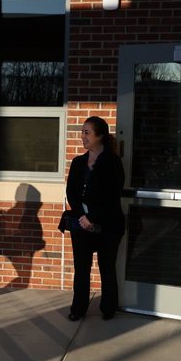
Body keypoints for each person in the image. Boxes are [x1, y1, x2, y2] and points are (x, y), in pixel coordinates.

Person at [65, 116, 125, 320]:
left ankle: (108, 308)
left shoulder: (112, 162)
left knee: (106, 267)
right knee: (81, 269)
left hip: (108, 225)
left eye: (87, 132)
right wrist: (82, 217)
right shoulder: (78, 162)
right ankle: (78, 309)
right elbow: (71, 193)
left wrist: (92, 217)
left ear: (100, 135)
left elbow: (112, 196)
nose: (82, 136)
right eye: (82, 132)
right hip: (81, 225)